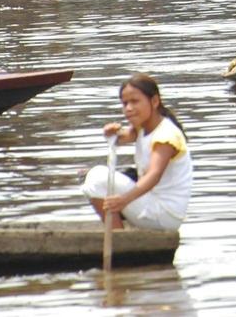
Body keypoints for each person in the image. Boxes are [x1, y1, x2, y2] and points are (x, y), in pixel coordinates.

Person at [80, 74, 192, 231]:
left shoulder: (165, 135)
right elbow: (123, 136)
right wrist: (113, 132)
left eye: (134, 102)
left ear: (154, 101)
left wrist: (124, 200)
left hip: (164, 214)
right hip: (153, 205)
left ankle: (120, 240)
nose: (128, 108)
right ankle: (119, 234)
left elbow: (154, 175)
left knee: (96, 177)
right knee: (96, 176)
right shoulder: (143, 127)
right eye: (125, 103)